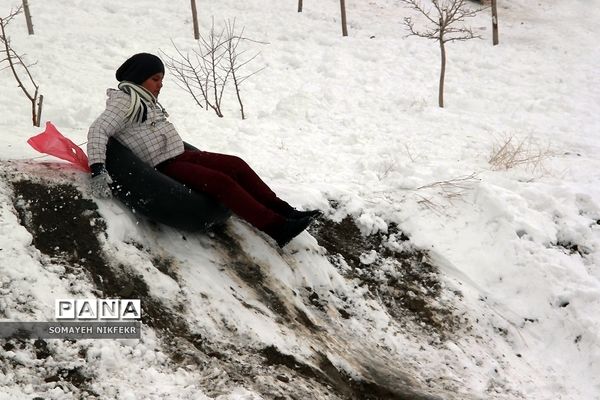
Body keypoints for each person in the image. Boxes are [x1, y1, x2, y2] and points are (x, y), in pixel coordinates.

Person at [87, 53, 320, 247]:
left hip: (179, 154)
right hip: (163, 165)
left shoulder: (143, 100)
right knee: (221, 183)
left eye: (161, 79)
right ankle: (277, 228)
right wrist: (98, 170)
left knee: (235, 165)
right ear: (139, 79)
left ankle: (286, 211)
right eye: (155, 79)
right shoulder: (124, 102)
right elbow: (98, 130)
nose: (160, 84)